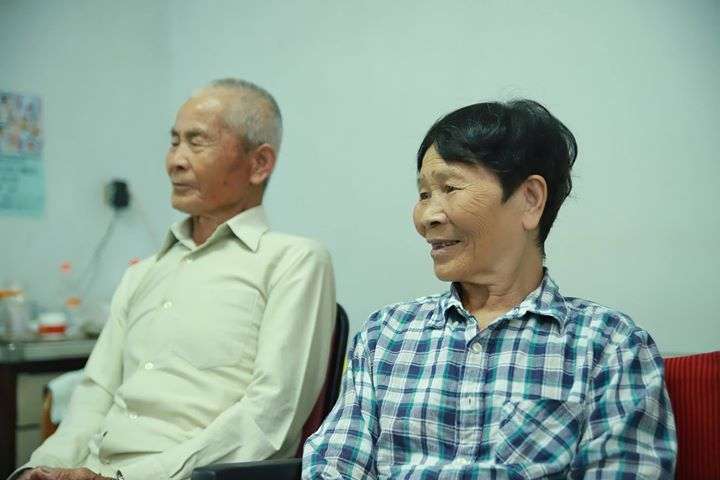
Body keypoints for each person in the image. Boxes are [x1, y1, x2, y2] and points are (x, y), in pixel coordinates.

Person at [303, 100, 676, 478]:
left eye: (449, 187)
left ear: (530, 199)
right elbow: (333, 465)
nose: (427, 217)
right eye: (424, 194)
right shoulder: (385, 335)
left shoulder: (609, 346)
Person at [14, 78, 336, 480]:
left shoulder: (294, 262)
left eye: (197, 142)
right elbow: (95, 395)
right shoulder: (142, 272)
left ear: (259, 164)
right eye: (173, 142)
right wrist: (40, 468)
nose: (175, 161)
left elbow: (269, 418)